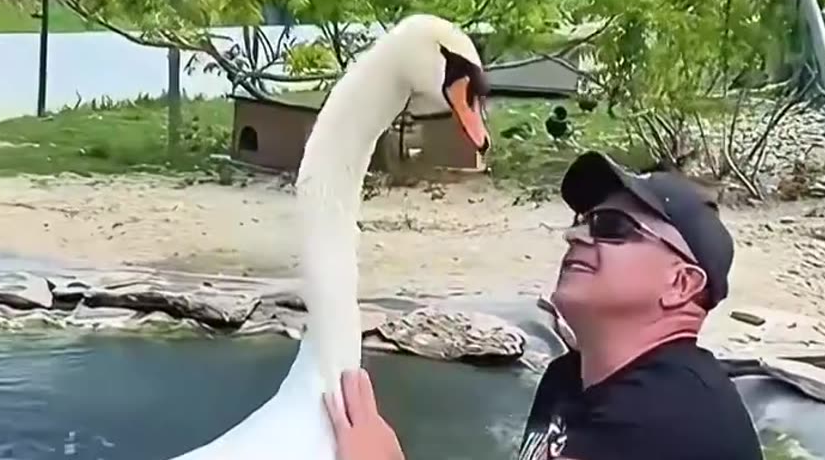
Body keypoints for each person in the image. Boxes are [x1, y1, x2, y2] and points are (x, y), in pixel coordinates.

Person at [323, 150, 764, 460]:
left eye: (611, 227)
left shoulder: (672, 417)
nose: (575, 236)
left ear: (681, 283)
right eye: (581, 222)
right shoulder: (566, 379)